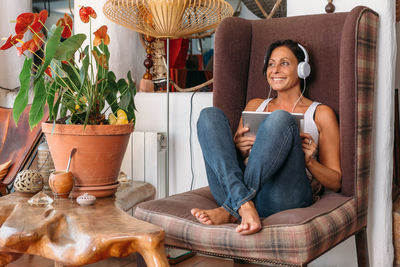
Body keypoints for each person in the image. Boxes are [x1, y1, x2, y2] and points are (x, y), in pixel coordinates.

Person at [191, 39, 342, 235]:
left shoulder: (321, 113)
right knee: (209, 115)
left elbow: (335, 182)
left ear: (302, 69)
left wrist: (310, 162)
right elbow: (231, 158)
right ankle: (243, 204)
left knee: (281, 119)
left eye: (285, 63)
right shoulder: (254, 105)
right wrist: (238, 148)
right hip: (236, 188)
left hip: (284, 196)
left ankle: (232, 208)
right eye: (271, 64)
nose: (276, 69)